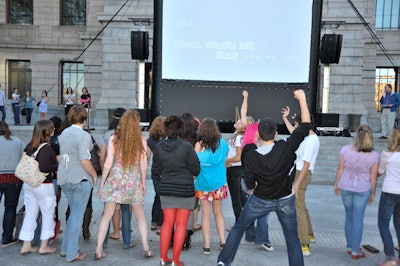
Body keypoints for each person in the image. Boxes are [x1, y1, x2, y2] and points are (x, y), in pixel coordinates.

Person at [217, 89, 311, 266]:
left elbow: (250, 183)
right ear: (276, 133)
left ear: (258, 134)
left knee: (238, 228)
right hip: (285, 198)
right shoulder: (285, 148)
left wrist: (253, 187)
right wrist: (302, 99)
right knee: (292, 238)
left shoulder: (250, 154)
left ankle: (223, 261)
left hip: (261, 198)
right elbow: (305, 127)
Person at [95, 110, 152, 260]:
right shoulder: (141, 140)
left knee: (107, 215)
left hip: (116, 176)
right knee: (140, 215)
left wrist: (102, 184)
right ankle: (146, 247)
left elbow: (108, 163)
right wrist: (143, 183)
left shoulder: (114, 138)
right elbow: (144, 165)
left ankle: (99, 248)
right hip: (133, 178)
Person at [152, 115, 200, 266]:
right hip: (185, 189)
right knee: (181, 224)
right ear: (180, 129)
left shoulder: (159, 147)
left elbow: (156, 170)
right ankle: (176, 260)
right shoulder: (187, 147)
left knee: (167, 223)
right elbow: (196, 169)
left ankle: (163, 257)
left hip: (166, 189)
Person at [57, 105, 98, 262]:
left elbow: (62, 157)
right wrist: (94, 174)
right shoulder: (84, 135)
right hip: (80, 178)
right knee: (76, 215)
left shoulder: (63, 134)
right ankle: (71, 253)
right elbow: (84, 160)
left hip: (65, 177)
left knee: (73, 214)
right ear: (84, 117)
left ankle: (66, 248)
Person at [333, 124, 379, 259]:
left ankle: (349, 246)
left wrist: (336, 184)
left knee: (349, 217)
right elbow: (373, 178)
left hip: (346, 186)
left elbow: (340, 169)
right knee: (358, 220)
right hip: (363, 188)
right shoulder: (374, 155)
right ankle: (355, 250)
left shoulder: (345, 150)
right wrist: (373, 193)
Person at [282, 109, 320, 256]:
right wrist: (285, 119)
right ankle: (309, 234)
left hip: (301, 174)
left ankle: (304, 243)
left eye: (296, 124)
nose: (295, 127)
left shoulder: (310, 142)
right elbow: (294, 133)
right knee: (302, 205)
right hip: (302, 172)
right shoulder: (310, 137)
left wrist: (296, 183)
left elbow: (305, 164)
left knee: (298, 208)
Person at [19, 120, 58, 255]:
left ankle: (26, 245)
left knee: (30, 213)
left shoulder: (29, 146)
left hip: (29, 184)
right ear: (47, 131)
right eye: (51, 129)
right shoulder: (46, 148)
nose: (53, 130)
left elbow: (23, 161)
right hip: (43, 185)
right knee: (48, 214)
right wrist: (55, 167)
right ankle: (44, 246)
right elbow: (44, 167)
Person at [195, 118, 229, 255]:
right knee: (218, 212)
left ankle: (207, 245)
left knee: (205, 214)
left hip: (203, 184)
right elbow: (225, 157)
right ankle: (223, 241)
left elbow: (194, 162)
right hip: (219, 184)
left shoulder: (199, 145)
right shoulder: (222, 143)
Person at [240, 122, 274, 252]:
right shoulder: (252, 148)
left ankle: (251, 235)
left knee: (251, 209)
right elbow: (251, 169)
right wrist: (254, 185)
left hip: (248, 182)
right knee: (263, 211)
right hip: (253, 183)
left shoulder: (249, 147)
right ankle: (262, 239)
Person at [377, 127, 400, 266]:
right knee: (399, 223)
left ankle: (390, 257)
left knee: (383, 223)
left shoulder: (387, 153)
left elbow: (380, 170)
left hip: (390, 191)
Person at [0, 121, 24, 247]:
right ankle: (6, 237)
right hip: (13, 178)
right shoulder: (17, 141)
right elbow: (24, 157)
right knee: (10, 208)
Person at [180, 112, 200, 250]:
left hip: (176, 175)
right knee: (190, 207)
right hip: (191, 177)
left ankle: (175, 236)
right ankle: (186, 237)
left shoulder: (176, 138)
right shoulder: (196, 139)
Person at [146, 115, 166, 236]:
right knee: (163, 197)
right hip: (165, 171)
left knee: (158, 195)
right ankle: (160, 224)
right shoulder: (167, 140)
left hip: (155, 171)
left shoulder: (150, 140)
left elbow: (147, 157)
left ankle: (154, 221)